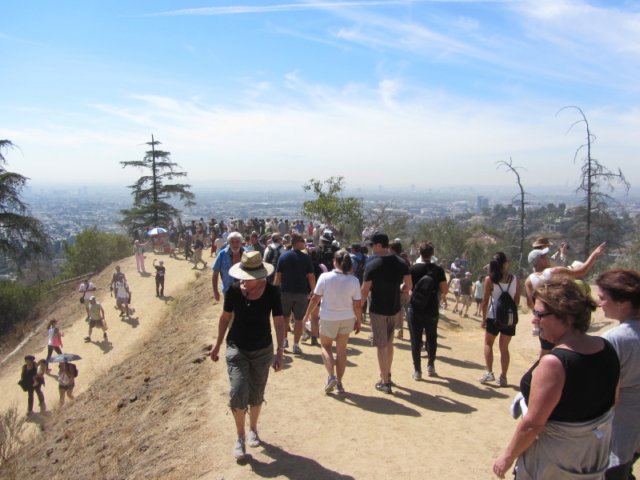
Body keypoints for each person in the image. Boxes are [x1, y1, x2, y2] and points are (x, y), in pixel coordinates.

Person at [493, 278, 620, 479]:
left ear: (567, 318)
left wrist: (507, 458)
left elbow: (532, 424)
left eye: (540, 314)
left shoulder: (555, 363)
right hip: (589, 461)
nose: (534, 320)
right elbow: (614, 400)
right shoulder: (606, 348)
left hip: (552, 463)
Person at [210, 251, 285, 460]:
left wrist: (280, 352)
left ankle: (253, 429)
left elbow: (279, 321)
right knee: (237, 391)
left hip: (262, 349)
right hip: (237, 347)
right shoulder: (233, 291)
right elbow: (225, 319)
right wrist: (217, 346)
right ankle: (240, 437)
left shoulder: (271, 292)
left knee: (256, 392)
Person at [596, 269, 640, 480]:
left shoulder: (615, 339)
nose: (599, 303)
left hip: (620, 429)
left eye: (603, 298)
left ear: (622, 301)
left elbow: (610, 396)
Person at [525, 243, 606, 353]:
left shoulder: (529, 281)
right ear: (540, 260)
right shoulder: (555, 271)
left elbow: (531, 305)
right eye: (544, 256)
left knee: (545, 351)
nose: (547, 258)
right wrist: (595, 254)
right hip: (561, 319)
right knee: (567, 350)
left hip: (545, 322)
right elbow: (582, 271)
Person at [303, 249, 362, 394]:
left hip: (329, 317)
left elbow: (315, 298)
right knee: (341, 351)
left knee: (326, 346)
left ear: (334, 262)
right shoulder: (354, 280)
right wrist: (358, 320)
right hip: (347, 317)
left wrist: (307, 315)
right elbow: (357, 304)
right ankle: (340, 384)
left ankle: (331, 376)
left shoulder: (325, 277)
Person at [361, 232, 412, 394]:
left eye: (372, 245)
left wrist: (356, 310)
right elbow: (409, 285)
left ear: (378, 245)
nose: (371, 248)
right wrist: (401, 290)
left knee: (381, 345)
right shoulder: (401, 262)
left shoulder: (372, 265)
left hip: (378, 309)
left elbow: (364, 291)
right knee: (389, 343)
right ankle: (387, 374)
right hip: (394, 307)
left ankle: (384, 381)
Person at [479, 252, 520, 387]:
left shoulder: (490, 279)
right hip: (509, 318)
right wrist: (511, 311)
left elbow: (485, 301)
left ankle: (489, 372)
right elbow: (517, 299)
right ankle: (503, 377)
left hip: (493, 316)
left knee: (488, 343)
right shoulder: (515, 279)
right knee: (504, 348)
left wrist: (483, 318)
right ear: (504, 264)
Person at [408, 242, 447, 379]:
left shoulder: (413, 269)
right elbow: (445, 290)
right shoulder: (439, 270)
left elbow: (407, 287)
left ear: (419, 252)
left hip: (416, 307)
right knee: (431, 337)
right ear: (432, 254)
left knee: (415, 339)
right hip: (432, 308)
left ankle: (417, 370)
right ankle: (431, 365)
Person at [274, 234, 316, 354]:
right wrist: (313, 290)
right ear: (297, 242)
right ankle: (296, 345)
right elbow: (311, 277)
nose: (304, 243)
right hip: (301, 293)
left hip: (285, 292)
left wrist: (274, 291)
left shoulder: (283, 257)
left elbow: (278, 276)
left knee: (285, 318)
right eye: (302, 241)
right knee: (298, 319)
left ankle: (285, 340)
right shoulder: (306, 258)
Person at [212, 231, 245, 301]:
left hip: (245, 291)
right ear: (228, 243)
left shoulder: (247, 254)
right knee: (230, 311)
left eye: (237, 242)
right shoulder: (222, 255)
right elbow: (215, 274)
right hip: (228, 290)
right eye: (232, 242)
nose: (235, 244)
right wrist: (215, 291)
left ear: (241, 242)